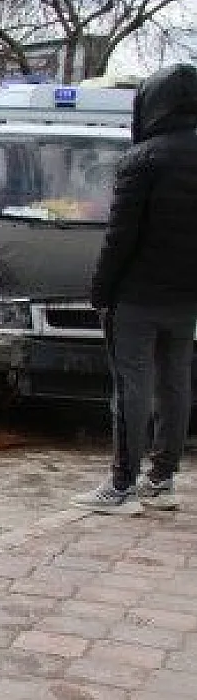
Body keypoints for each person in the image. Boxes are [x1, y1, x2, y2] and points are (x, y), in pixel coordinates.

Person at [71, 63, 197, 515]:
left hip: (137, 296)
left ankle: (121, 484)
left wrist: (101, 290)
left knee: (132, 387)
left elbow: (120, 237)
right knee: (176, 384)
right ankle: (161, 478)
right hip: (186, 299)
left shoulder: (142, 161)